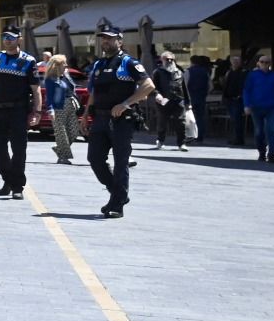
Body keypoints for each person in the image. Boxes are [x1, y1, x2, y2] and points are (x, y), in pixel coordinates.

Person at [85, 23, 156, 219]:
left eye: (109, 38)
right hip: (99, 118)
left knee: (120, 162)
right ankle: (117, 192)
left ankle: (117, 205)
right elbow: (93, 92)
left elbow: (148, 85)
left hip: (121, 121)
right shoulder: (99, 65)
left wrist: (126, 103)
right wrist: (84, 115)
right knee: (94, 159)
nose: (105, 41)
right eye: (103, 38)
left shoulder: (129, 63)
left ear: (120, 40)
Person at [0, 26, 41, 199]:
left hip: (18, 110)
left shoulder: (28, 61)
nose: (7, 40)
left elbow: (36, 90)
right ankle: (8, 179)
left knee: (19, 149)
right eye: (5, 37)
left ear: (19, 39)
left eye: (11, 37)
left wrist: (37, 111)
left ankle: (17, 186)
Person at [243, 53, 274, 163]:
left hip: (272, 107)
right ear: (258, 63)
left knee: (271, 130)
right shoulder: (252, 75)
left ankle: (272, 154)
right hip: (256, 107)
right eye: (262, 62)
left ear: (270, 64)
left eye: (267, 62)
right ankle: (261, 152)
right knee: (258, 132)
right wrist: (247, 105)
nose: (264, 64)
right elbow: (247, 90)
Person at [46, 53, 80, 164]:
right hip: (58, 108)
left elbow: (73, 88)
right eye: (63, 64)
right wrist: (50, 110)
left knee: (74, 131)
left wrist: (67, 75)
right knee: (61, 133)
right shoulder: (50, 79)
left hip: (70, 105)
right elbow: (49, 96)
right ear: (57, 65)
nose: (66, 66)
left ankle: (59, 149)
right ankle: (63, 157)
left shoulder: (65, 77)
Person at [151, 51, 189, 152]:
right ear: (162, 60)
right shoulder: (158, 72)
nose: (169, 61)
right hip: (164, 101)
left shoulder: (179, 71)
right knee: (162, 122)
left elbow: (184, 87)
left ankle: (182, 143)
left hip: (178, 100)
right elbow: (153, 86)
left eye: (171, 59)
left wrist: (188, 102)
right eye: (167, 59)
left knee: (181, 122)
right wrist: (157, 94)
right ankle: (160, 140)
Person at [220, 52, 247, 146]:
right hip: (229, 99)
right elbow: (226, 85)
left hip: (237, 99)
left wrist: (241, 95)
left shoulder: (244, 72)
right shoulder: (229, 72)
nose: (235, 63)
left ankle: (239, 139)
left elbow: (244, 86)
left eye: (237, 61)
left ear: (240, 62)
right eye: (233, 61)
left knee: (238, 120)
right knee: (233, 120)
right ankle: (235, 138)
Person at [185, 55, 212, 146]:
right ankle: (200, 136)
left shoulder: (188, 71)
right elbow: (211, 86)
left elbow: (184, 85)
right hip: (201, 97)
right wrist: (205, 93)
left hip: (190, 97)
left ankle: (190, 136)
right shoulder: (205, 72)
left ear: (191, 61)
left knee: (189, 118)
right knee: (200, 118)